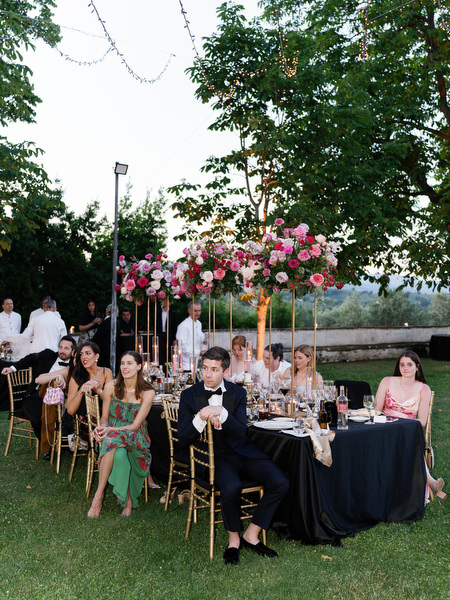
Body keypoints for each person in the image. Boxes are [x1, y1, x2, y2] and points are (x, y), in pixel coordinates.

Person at [178, 346, 289, 565]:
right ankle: (234, 541)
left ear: (225, 372)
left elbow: (240, 431)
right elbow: (183, 438)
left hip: (243, 452)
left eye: (214, 370)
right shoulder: (189, 395)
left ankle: (252, 534)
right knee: (231, 487)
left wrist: (221, 412)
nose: (208, 374)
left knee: (280, 482)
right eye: (205, 368)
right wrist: (201, 416)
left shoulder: (238, 392)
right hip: (214, 457)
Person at [87, 351, 154, 518]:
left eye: (129, 363)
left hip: (135, 436)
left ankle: (98, 496)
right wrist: (102, 427)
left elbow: (135, 426)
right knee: (118, 455)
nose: (125, 367)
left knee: (111, 440)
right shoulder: (111, 386)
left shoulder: (148, 392)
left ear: (139, 366)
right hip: (114, 434)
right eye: (123, 363)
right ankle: (124, 501)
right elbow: (104, 417)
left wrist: (109, 430)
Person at [375, 350, 446, 500]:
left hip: (408, 428)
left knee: (409, 436)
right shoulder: (387, 381)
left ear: (417, 367)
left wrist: (401, 417)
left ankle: (430, 482)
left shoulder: (423, 389)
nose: (405, 368)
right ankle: (431, 482)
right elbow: (376, 410)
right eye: (402, 365)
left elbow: (422, 421)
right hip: (384, 427)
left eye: (409, 364)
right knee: (406, 437)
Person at [1, 335, 76, 459]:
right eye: (61, 347)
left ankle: (62, 443)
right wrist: (12, 368)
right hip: (35, 396)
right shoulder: (47, 355)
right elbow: (29, 358)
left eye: (66, 348)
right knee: (37, 418)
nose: (62, 350)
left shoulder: (74, 365)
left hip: (60, 400)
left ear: (73, 351)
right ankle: (48, 447)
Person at [66, 341, 113, 418]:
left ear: (96, 356)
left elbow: (109, 400)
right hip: (86, 423)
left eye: (87, 353)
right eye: (81, 354)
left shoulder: (106, 372)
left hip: (106, 417)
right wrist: (81, 390)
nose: (83, 357)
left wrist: (96, 389)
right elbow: (70, 410)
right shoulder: (76, 376)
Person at [176, 301, 205, 371]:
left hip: (196, 362)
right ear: (189, 311)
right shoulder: (183, 326)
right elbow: (182, 346)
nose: (198, 313)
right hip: (185, 364)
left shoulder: (199, 323)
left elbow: (199, 340)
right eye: (195, 311)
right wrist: (199, 352)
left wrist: (205, 337)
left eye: (199, 311)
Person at [156, 298, 179, 369]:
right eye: (164, 301)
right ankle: (161, 368)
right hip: (160, 335)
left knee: (169, 353)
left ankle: (169, 369)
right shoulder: (158, 313)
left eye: (167, 301)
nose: (165, 302)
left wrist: (175, 339)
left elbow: (175, 326)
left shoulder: (173, 313)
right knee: (160, 353)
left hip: (170, 336)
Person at [92, 304, 115, 369]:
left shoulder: (105, 322)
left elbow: (97, 336)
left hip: (103, 350)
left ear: (107, 312)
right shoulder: (117, 322)